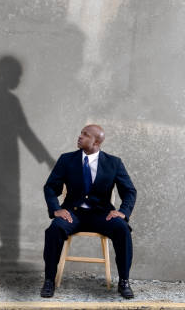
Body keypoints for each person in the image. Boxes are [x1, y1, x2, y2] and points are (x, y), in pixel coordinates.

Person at [0, 56, 55, 273]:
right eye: (17, 75)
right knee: (9, 214)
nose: (20, 80)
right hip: (6, 171)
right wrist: (48, 159)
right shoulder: (10, 102)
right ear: (7, 74)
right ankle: (8, 255)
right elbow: (25, 133)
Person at [41, 125, 137, 298]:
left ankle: (124, 281)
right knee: (54, 229)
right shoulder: (66, 160)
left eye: (85, 135)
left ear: (96, 142)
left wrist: (123, 211)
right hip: (73, 214)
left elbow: (129, 191)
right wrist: (56, 209)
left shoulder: (114, 163)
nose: (80, 137)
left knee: (122, 229)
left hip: (102, 215)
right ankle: (49, 280)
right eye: (81, 133)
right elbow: (50, 187)